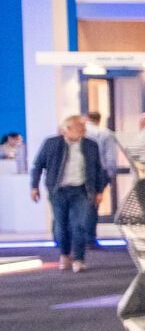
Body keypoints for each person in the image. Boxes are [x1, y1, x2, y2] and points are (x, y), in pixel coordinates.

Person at [31, 112, 110, 272]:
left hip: (81, 190)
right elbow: (38, 165)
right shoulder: (52, 143)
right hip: (58, 190)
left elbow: (98, 169)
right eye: (79, 127)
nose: (83, 130)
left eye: (83, 127)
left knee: (79, 225)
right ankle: (65, 254)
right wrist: (34, 186)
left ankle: (79, 259)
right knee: (61, 225)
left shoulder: (90, 145)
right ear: (67, 129)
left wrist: (100, 190)